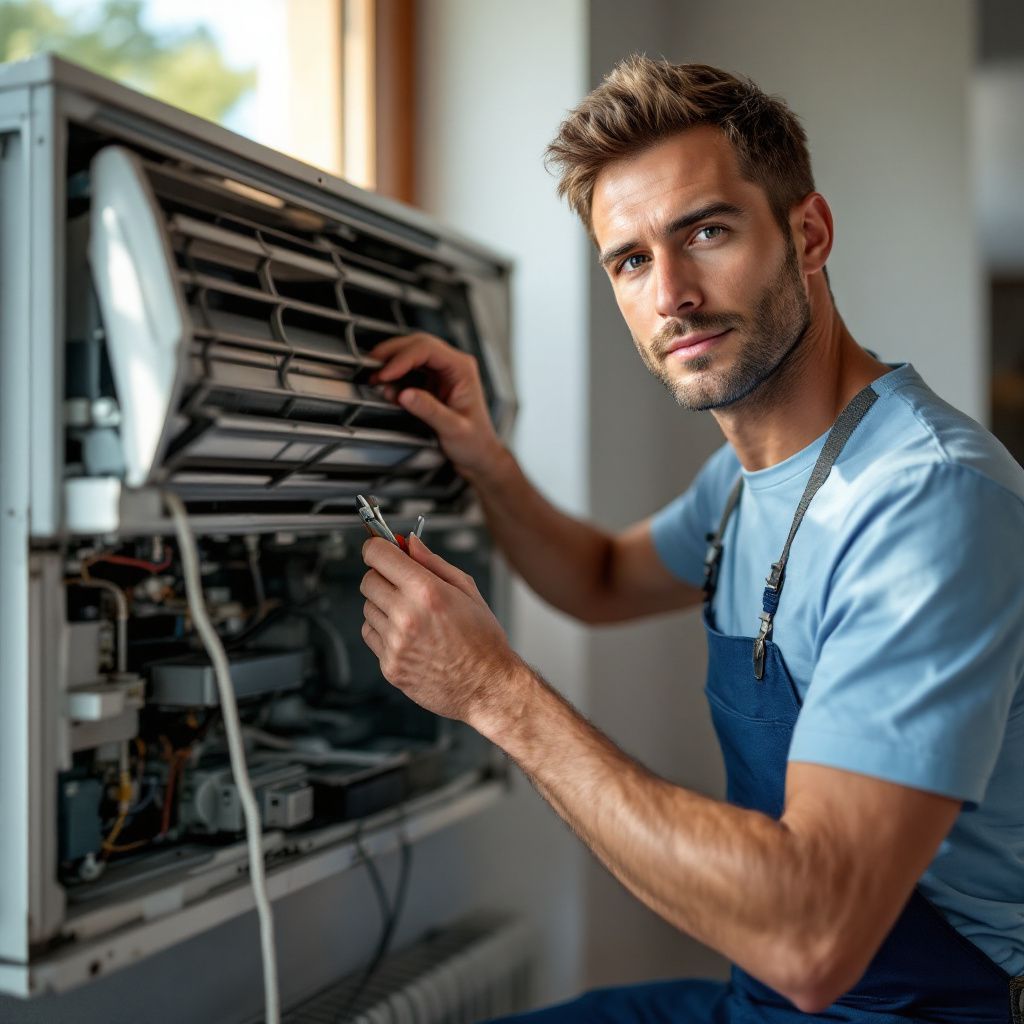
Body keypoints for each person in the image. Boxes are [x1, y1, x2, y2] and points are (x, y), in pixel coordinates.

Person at [357, 57, 1024, 1022]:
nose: (669, 293)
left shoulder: (925, 503)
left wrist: (492, 693)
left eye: (704, 232)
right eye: (630, 260)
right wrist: (487, 460)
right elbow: (596, 577)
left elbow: (813, 938)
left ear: (808, 233)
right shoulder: (752, 476)